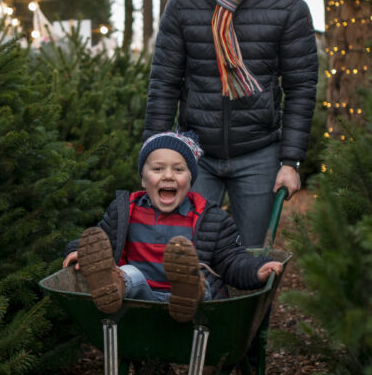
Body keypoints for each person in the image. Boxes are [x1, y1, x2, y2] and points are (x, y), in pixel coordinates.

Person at [143, 0, 319, 249]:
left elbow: (301, 86)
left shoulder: (287, 4)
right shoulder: (186, 1)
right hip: (195, 155)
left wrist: (291, 161)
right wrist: (154, 158)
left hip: (258, 156)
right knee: (187, 256)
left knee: (251, 258)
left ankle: (247, 309)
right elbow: (164, 82)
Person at [62, 131, 283, 323]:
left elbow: (232, 260)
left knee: (200, 283)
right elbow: (100, 243)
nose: (168, 175)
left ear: (190, 179)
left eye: (178, 170)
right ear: (143, 179)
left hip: (196, 307)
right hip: (141, 303)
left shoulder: (211, 218)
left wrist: (256, 270)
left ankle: (187, 290)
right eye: (158, 169)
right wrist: (78, 251)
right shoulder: (125, 212)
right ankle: (111, 287)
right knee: (129, 274)